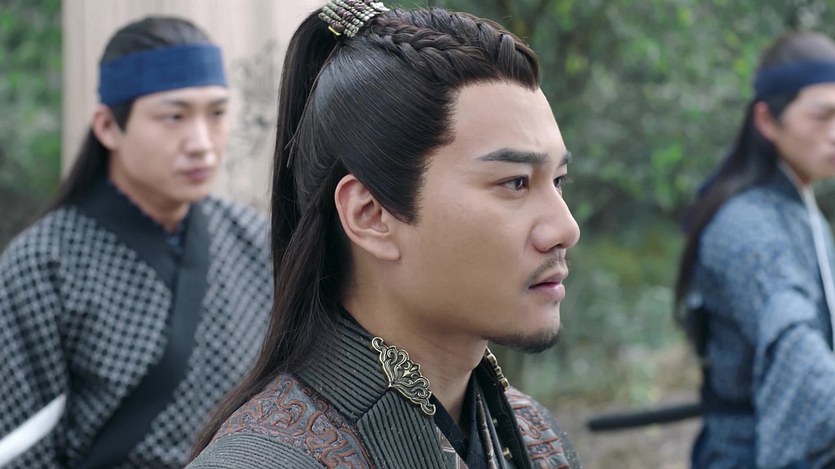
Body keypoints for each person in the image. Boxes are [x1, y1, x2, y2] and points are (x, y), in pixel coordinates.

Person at [188, 1, 583, 468]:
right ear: (370, 215)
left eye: (558, 181)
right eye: (515, 182)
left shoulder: (535, 437)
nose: (565, 228)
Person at [0, 16, 273, 468]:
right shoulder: (44, 264)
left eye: (217, 113)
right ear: (108, 126)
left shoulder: (256, 240)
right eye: (174, 116)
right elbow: (20, 447)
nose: (202, 143)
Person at [675, 31, 835, 468]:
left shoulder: (803, 211)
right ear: (767, 120)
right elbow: (799, 354)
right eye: (822, 116)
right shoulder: (744, 225)